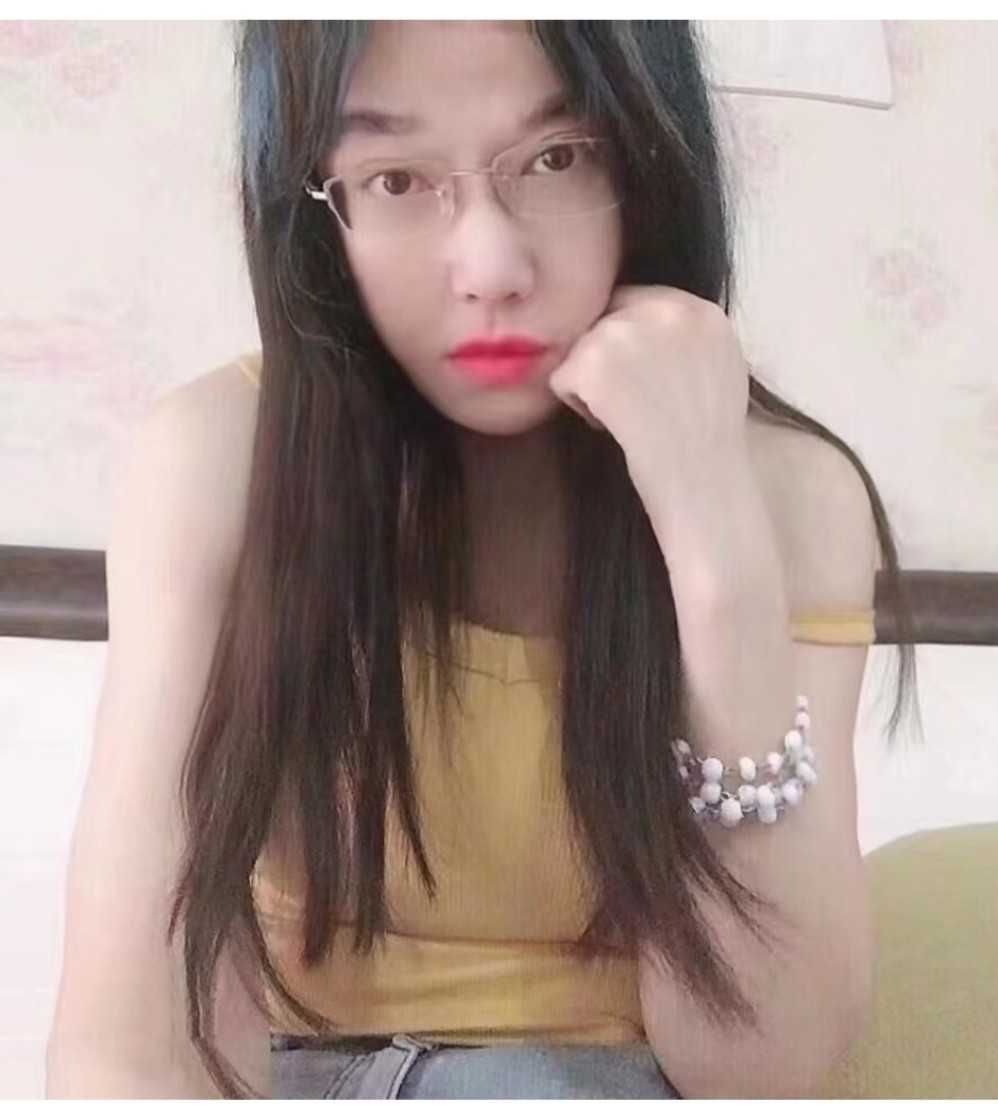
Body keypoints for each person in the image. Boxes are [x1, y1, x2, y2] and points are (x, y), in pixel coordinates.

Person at [46, 20, 921, 1100]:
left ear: (649, 160)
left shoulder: (790, 497)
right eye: (397, 179)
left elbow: (762, 1066)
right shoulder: (218, 460)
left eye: (558, 158)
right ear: (316, 208)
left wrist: (710, 534)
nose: (493, 267)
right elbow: (124, 1042)